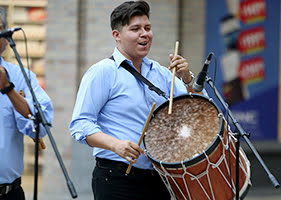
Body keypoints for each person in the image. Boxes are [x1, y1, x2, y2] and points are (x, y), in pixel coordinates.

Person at [70, 1, 206, 199]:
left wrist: (187, 79)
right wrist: (115, 145)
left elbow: (199, 112)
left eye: (147, 28)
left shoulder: (163, 73)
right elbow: (80, 125)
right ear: (116, 35)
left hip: (159, 178)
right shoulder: (102, 72)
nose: (145, 34)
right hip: (116, 177)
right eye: (135, 29)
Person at [0, 7, 53, 200]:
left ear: (6, 38)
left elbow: (41, 126)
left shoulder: (21, 77)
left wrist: (8, 89)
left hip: (8, 192)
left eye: (0, 28)